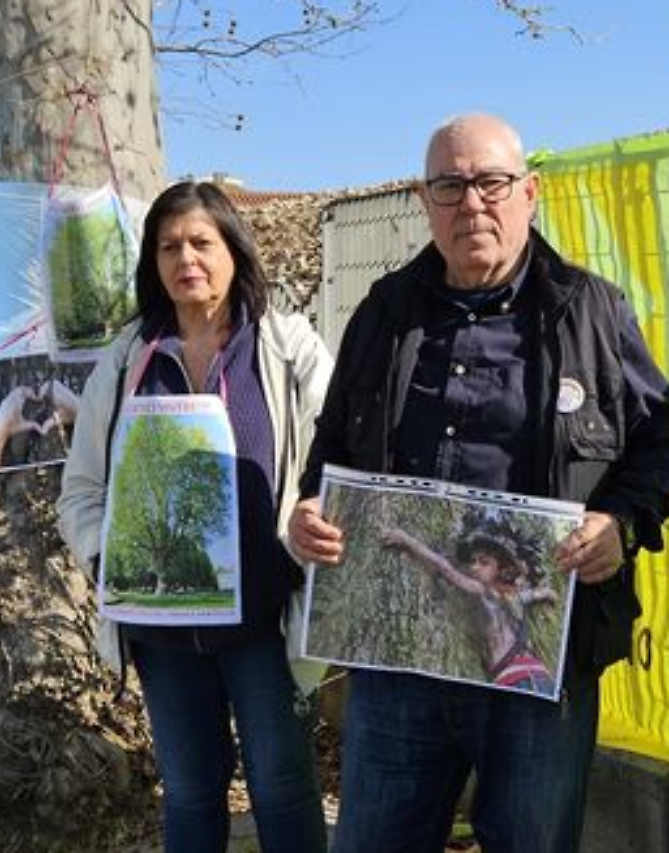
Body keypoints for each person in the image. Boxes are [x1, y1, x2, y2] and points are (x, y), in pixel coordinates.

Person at [288, 113, 669, 853]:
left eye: (491, 182)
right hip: (399, 655)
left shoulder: (591, 311)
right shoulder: (382, 313)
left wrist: (619, 523)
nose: (472, 203)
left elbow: (661, 437)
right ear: (425, 202)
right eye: (450, 185)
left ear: (529, 192)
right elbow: (332, 443)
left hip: (537, 665)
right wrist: (312, 505)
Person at [58, 180, 332, 853]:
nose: (187, 258)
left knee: (283, 785)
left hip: (264, 622)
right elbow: (80, 491)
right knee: (189, 791)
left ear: (234, 249)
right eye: (169, 245)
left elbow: (337, 462)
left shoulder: (287, 348)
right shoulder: (128, 360)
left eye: (202, 242)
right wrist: (112, 556)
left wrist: (315, 518)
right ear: (153, 261)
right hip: (163, 633)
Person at [379, 520, 559, 695]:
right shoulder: (511, 599)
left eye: (484, 562)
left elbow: (445, 568)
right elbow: (541, 594)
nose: (474, 567)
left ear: (502, 571)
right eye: (473, 561)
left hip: (518, 680)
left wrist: (408, 541)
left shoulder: (481, 591)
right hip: (535, 677)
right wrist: (547, 594)